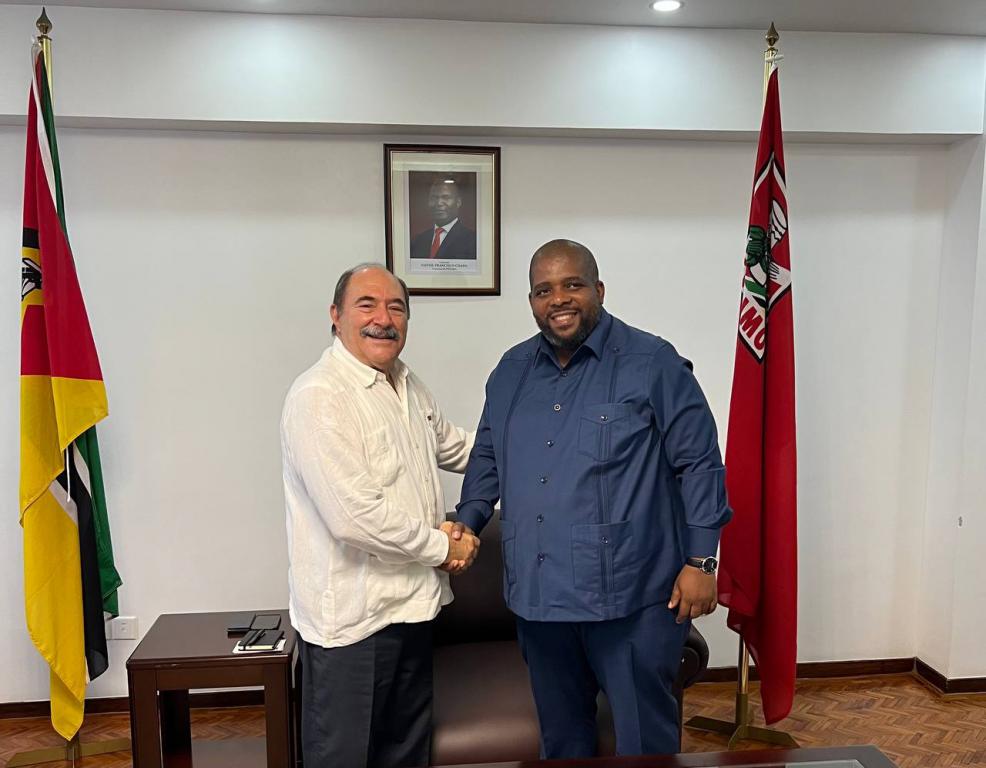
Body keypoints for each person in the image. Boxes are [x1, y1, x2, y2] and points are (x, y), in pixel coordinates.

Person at [456, 239, 731, 758]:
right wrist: (469, 519)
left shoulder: (653, 362)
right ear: (531, 301)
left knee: (644, 746)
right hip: (539, 598)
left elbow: (699, 463)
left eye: (572, 285)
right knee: (562, 743)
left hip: (633, 599)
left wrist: (702, 561)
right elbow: (488, 453)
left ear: (599, 290)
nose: (558, 299)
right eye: (544, 290)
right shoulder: (511, 370)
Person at [281, 262, 479, 768]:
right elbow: (355, 517)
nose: (383, 319)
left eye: (396, 308)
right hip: (355, 628)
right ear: (336, 315)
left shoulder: (407, 384)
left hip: (414, 611)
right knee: (345, 758)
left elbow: (455, 447)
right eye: (366, 305)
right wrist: (444, 547)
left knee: (405, 754)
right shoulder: (319, 397)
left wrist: (535, 445)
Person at [409, 178, 477, 260]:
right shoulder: (418, 241)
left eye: (446, 197)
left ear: (458, 202)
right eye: (434, 198)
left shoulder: (473, 240)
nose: (439, 203)